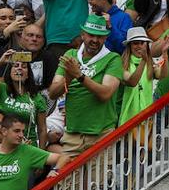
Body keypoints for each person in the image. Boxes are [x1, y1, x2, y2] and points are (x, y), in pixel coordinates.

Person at [47, 15, 123, 155]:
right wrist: (68, 78)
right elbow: (52, 93)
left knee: (98, 178)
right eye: (91, 35)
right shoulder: (70, 54)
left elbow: (105, 94)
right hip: (72, 134)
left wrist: (80, 76)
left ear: (105, 38)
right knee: (67, 177)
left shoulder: (113, 59)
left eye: (99, 36)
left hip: (101, 134)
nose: (95, 40)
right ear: (83, 35)